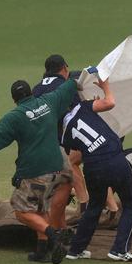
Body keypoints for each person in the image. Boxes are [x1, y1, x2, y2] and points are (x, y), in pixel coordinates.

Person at [0, 77, 77, 264]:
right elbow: (68, 87)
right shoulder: (48, 101)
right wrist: (81, 76)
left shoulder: (15, 117)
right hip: (61, 167)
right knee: (40, 206)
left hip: (38, 171)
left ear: (14, 99)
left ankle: (54, 235)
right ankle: (43, 251)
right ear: (31, 92)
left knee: (21, 211)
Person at [62, 78, 132, 261]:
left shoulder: (65, 127)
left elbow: (77, 148)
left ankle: (75, 250)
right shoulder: (85, 106)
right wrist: (105, 87)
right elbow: (110, 102)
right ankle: (119, 249)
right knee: (131, 203)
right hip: (114, 158)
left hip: (92, 166)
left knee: (94, 207)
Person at [32, 54, 89, 231]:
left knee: (52, 185)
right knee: (64, 183)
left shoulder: (36, 89)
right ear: (64, 68)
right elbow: (77, 113)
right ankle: (79, 212)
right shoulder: (65, 86)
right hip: (59, 144)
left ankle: (58, 225)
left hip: (38, 145)